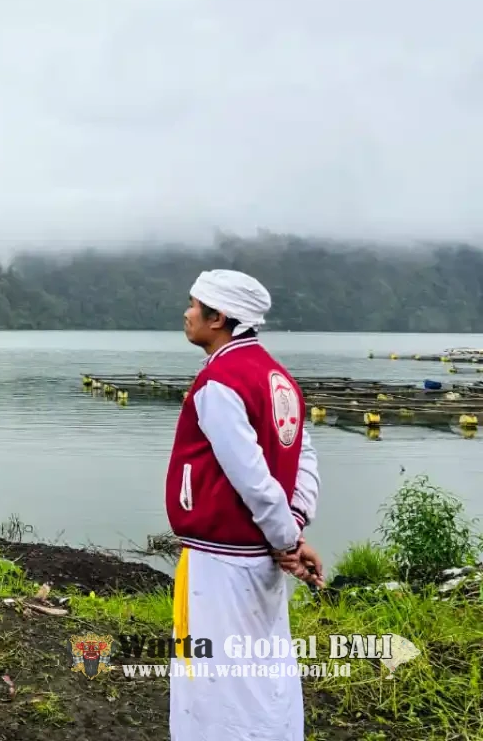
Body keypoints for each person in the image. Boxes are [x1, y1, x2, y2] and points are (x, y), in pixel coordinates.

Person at [165, 269, 323, 741]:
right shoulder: (278, 378)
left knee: (215, 679)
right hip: (259, 558)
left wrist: (287, 539)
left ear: (219, 319)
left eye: (195, 306)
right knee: (262, 669)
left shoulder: (220, 382)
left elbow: (251, 477)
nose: (187, 313)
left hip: (221, 561)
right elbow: (306, 457)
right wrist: (292, 527)